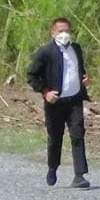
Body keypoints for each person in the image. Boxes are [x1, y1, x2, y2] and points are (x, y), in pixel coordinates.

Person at [26, 17, 92, 188]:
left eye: (67, 31)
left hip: (75, 100)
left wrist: (84, 79)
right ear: (53, 32)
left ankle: (79, 175)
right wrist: (45, 92)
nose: (64, 34)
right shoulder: (45, 52)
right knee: (55, 137)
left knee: (78, 134)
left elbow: (79, 70)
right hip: (55, 102)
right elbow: (31, 75)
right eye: (61, 31)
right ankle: (52, 168)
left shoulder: (76, 49)